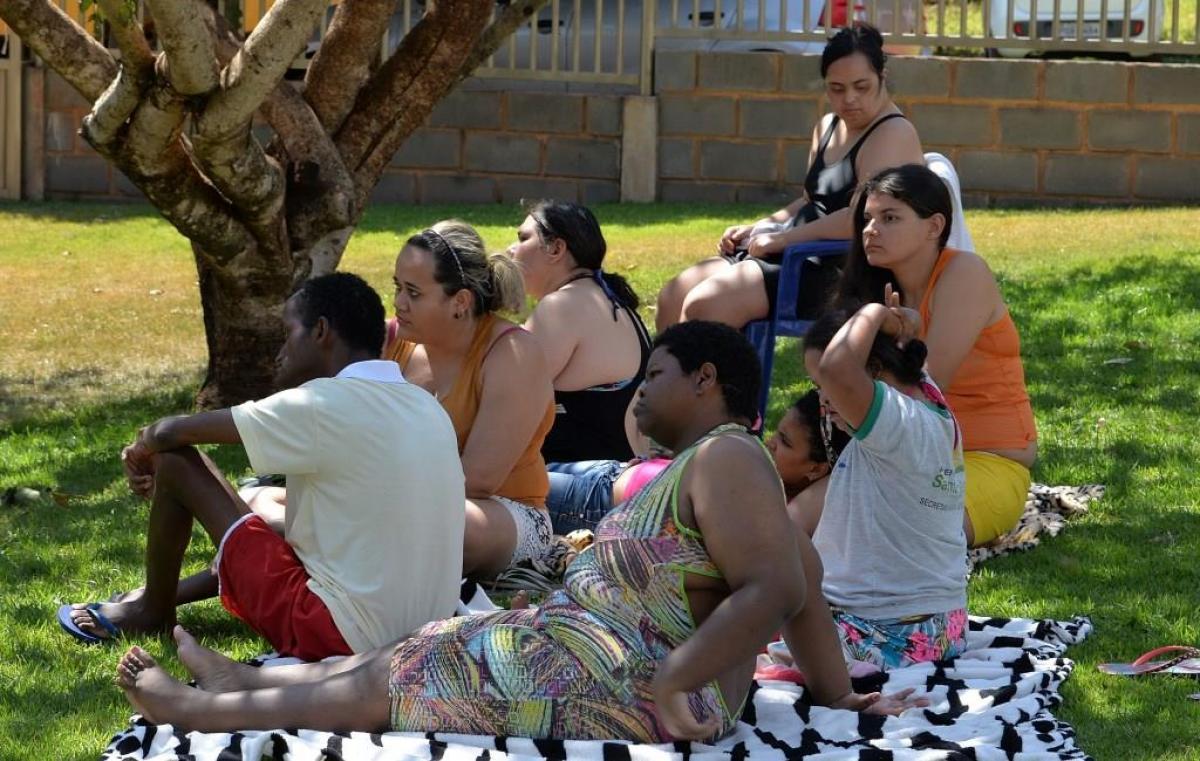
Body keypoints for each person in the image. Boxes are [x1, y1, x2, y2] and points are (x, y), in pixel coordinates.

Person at [113, 321, 925, 740]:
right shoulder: (718, 469)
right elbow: (802, 575)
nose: (639, 393)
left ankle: (199, 714)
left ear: (706, 379)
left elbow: (776, 585)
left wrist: (680, 676)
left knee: (398, 683)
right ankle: (246, 685)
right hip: (591, 653)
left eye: (655, 376)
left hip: (624, 677)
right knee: (416, 650)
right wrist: (835, 694)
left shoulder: (728, 454)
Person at [58, 273, 465, 661]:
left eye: (288, 333)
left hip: (343, 640)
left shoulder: (323, 402)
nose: (279, 352)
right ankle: (157, 599)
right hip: (427, 642)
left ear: (321, 332)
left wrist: (141, 448)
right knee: (271, 522)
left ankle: (151, 611)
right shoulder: (425, 405)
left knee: (176, 461)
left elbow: (169, 433)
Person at [655, 23, 924, 332]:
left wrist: (782, 240)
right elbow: (811, 200)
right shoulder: (828, 126)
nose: (849, 98)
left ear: (882, 77)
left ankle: (709, 366)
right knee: (672, 296)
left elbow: (861, 219)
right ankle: (670, 366)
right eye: (837, 89)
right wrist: (761, 227)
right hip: (793, 253)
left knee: (705, 304)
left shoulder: (893, 133)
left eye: (861, 87)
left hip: (837, 269)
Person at [833, 164, 1037, 547]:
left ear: (934, 226)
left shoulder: (965, 273)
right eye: (867, 219)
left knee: (898, 537)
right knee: (807, 518)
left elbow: (929, 387)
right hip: (897, 458)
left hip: (985, 460)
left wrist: (900, 338)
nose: (871, 229)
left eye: (889, 218)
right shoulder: (872, 290)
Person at [384, 220, 557, 579]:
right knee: (267, 501)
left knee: (442, 527)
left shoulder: (512, 353)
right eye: (397, 287)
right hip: (399, 503)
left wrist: (369, 497)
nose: (399, 302)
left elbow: (477, 480)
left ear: (460, 302)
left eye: (413, 293)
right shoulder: (392, 338)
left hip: (497, 512)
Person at [803, 304, 968, 670]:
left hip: (888, 632)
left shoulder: (899, 424)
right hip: (937, 628)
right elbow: (850, 367)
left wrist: (876, 312)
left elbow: (838, 370)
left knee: (745, 624)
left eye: (823, 386)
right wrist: (905, 324)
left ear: (874, 371)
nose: (823, 400)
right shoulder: (926, 398)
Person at [544, 390, 848, 537]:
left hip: (596, 505)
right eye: (776, 433)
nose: (770, 443)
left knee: (519, 485)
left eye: (785, 441)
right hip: (613, 472)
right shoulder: (768, 476)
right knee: (524, 470)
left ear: (817, 469)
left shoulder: (784, 509)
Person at [509, 200, 652, 464]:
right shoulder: (614, 302)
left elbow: (503, 397)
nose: (511, 250)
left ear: (556, 249)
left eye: (523, 238)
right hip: (622, 472)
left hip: (586, 481)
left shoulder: (561, 308)